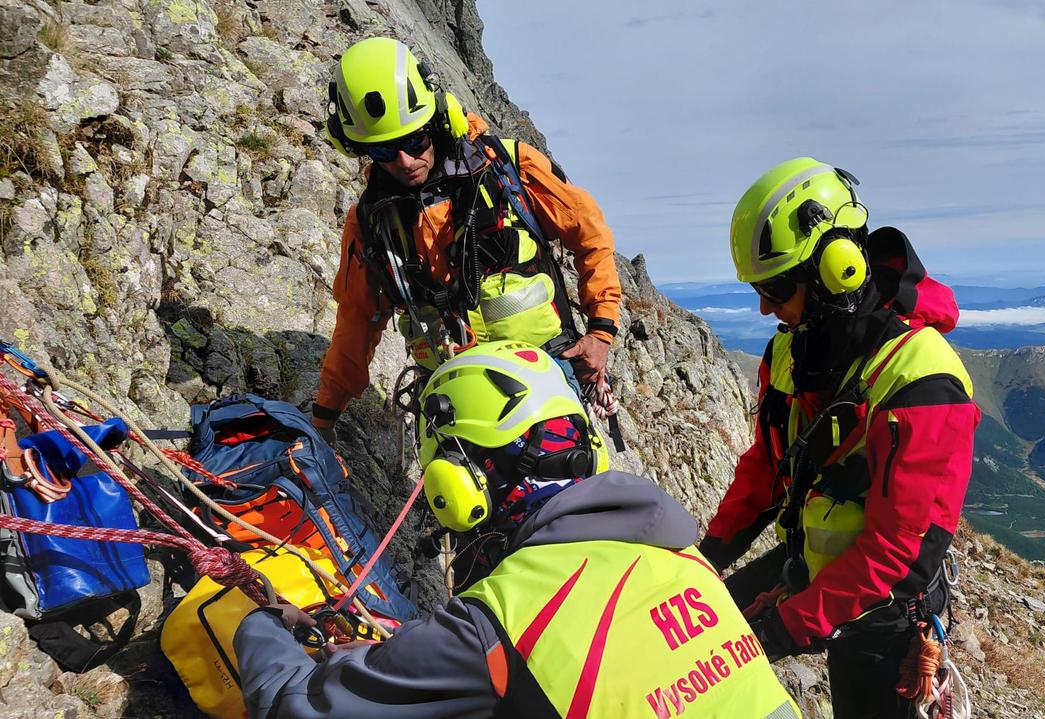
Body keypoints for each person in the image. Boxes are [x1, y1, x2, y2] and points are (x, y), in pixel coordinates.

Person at [234, 342, 802, 719]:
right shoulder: (682, 558)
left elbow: (295, 708)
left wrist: (260, 624)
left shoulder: (497, 622)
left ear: (459, 481)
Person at [696, 158, 980, 718]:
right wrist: (706, 558)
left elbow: (898, 558)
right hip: (813, 562)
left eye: (776, 288)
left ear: (837, 269)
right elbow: (767, 465)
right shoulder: (792, 350)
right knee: (702, 634)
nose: (764, 307)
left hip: (885, 608)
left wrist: (778, 630)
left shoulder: (924, 379)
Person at [310, 37, 622, 444]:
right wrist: (323, 417)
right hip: (452, 397)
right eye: (384, 150)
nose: (405, 161)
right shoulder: (372, 221)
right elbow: (356, 322)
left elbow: (590, 234)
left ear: (437, 121)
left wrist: (600, 334)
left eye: (413, 140)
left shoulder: (507, 168)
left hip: (543, 377)